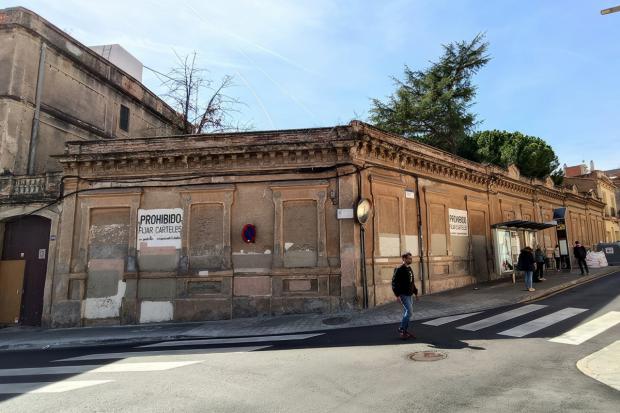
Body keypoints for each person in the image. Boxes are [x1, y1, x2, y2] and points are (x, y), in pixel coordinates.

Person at [392, 252, 419, 339]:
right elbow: (394, 283)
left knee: (407, 313)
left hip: (410, 294)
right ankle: (401, 328)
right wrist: (397, 295)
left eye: (411, 258)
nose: (411, 260)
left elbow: (412, 282)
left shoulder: (409, 268)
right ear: (404, 259)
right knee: (410, 312)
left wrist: (415, 292)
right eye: (409, 258)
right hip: (403, 295)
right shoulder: (399, 269)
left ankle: (404, 332)